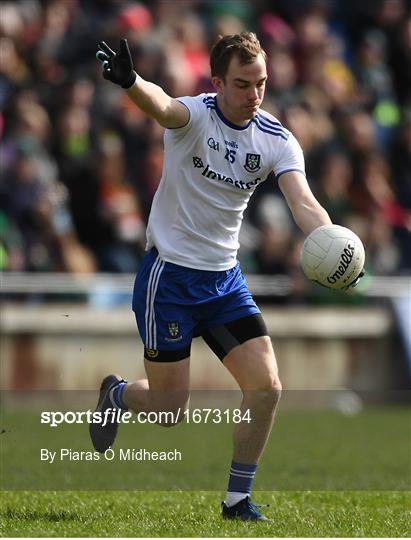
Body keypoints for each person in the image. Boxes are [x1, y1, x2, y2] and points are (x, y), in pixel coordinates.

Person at [90, 32, 355, 521]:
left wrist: (336, 247)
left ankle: (236, 501)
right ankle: (118, 394)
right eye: (242, 84)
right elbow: (163, 107)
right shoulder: (195, 117)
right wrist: (130, 82)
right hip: (169, 279)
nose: (255, 95)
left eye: (262, 83)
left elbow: (303, 203)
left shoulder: (276, 138)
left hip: (224, 282)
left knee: (267, 387)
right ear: (217, 83)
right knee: (170, 411)